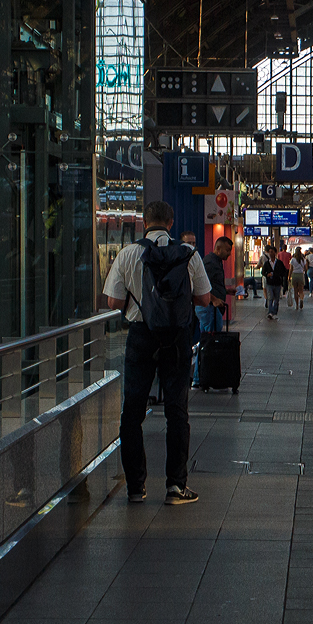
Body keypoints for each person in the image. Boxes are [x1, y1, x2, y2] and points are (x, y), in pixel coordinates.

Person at [102, 200, 214, 506]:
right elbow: (204, 298)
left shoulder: (128, 253)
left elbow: (112, 302)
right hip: (177, 339)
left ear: (144, 221)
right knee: (177, 411)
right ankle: (176, 486)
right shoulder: (188, 254)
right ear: (171, 220)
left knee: (132, 413)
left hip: (140, 337)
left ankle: (136, 487)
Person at [193, 236, 236, 387]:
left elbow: (212, 284)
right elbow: (201, 286)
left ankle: (205, 376)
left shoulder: (216, 262)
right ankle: (200, 378)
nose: (229, 253)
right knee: (208, 342)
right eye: (227, 250)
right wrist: (213, 300)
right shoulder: (210, 263)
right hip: (208, 308)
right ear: (218, 249)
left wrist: (226, 291)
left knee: (210, 340)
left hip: (212, 308)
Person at [262, 245, 286, 319]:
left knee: (276, 299)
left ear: (275, 253)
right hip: (269, 283)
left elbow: (283, 271)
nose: (270, 253)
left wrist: (278, 275)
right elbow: (263, 272)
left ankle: (274, 312)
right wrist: (267, 274)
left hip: (277, 283)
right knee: (270, 298)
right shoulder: (266, 263)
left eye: (272, 252)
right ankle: (270, 312)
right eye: (269, 252)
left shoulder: (279, 263)